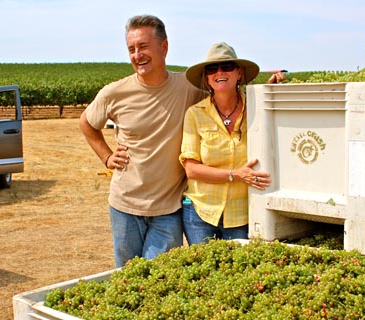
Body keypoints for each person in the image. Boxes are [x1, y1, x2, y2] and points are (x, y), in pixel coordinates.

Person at [79, 15, 203, 267]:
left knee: (159, 281)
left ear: (164, 47)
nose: (137, 55)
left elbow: (226, 93)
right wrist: (107, 156)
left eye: (143, 46)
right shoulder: (114, 92)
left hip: (167, 211)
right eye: (132, 49)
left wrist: (269, 87)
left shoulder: (188, 87)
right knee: (125, 280)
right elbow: (87, 123)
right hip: (124, 206)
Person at [179, 42, 271, 245]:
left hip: (242, 214)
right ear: (206, 78)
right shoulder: (195, 114)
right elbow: (191, 170)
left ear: (238, 73)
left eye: (226, 66)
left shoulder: (258, 111)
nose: (219, 72)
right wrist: (235, 175)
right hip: (200, 212)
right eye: (212, 68)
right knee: (204, 274)